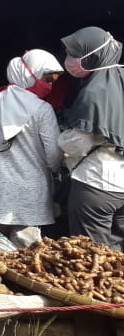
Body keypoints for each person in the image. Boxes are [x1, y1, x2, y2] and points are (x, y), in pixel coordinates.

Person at [0, 50, 64, 246]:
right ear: (30, 74)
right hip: (33, 193)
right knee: (26, 256)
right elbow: (53, 152)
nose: (49, 85)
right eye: (46, 79)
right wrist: (55, 169)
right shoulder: (43, 110)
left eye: (53, 81)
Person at [58, 26, 124, 249]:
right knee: (116, 261)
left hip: (96, 184)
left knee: (91, 257)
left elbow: (78, 142)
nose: (69, 59)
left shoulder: (97, 90)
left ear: (94, 55)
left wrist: (61, 139)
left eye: (75, 54)